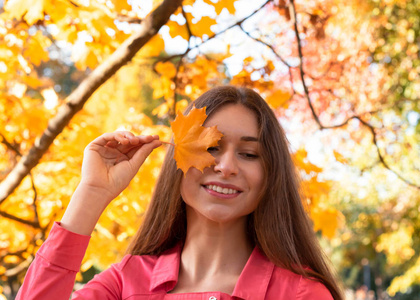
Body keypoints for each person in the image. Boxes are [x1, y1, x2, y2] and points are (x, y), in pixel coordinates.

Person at [16, 86, 344, 299]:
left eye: (249, 154)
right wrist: (91, 192)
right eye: (211, 147)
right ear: (179, 158)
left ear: (271, 175)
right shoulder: (124, 284)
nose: (227, 166)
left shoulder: (301, 294)